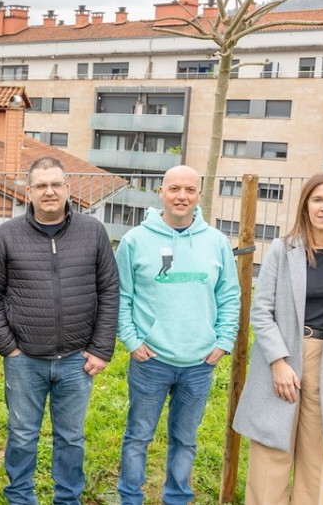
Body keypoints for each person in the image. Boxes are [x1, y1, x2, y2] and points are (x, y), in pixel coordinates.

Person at [0, 156, 119, 505]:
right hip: (25, 359)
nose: (50, 191)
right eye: (41, 185)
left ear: (68, 188)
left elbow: (109, 289)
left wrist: (101, 348)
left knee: (71, 437)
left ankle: (67, 499)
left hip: (76, 358)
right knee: (22, 435)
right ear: (29, 192)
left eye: (56, 184)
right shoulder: (7, 235)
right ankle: (20, 498)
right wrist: (8, 347)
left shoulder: (93, 231)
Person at [233, 172, 323, 505]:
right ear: (306, 205)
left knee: (318, 459)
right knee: (271, 452)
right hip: (286, 356)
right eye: (318, 199)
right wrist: (278, 362)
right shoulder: (284, 251)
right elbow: (261, 311)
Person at [115, 165, 240, 504]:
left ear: (199, 195)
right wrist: (132, 340)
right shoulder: (134, 241)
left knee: (185, 439)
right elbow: (120, 295)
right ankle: (130, 496)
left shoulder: (216, 242)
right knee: (138, 436)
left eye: (189, 190)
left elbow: (229, 296)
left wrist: (223, 341)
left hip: (200, 361)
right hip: (151, 359)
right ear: (161, 192)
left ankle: (177, 497)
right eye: (174, 189)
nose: (181, 196)